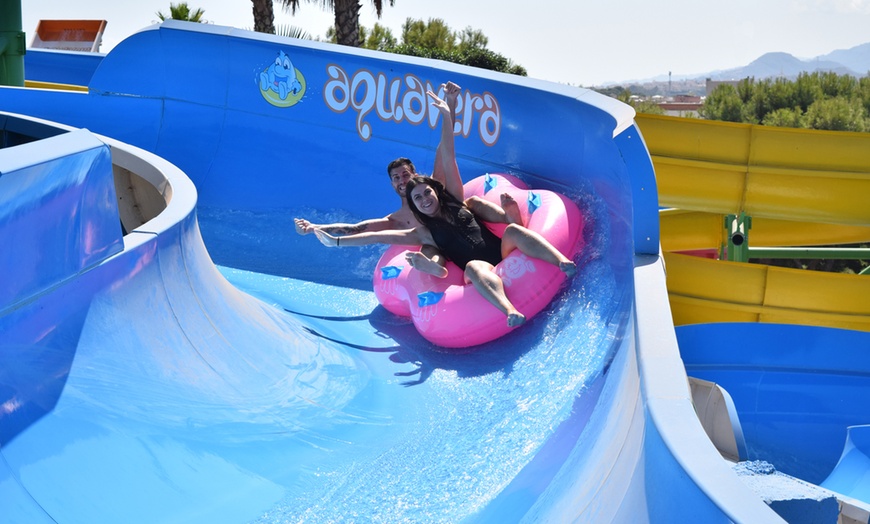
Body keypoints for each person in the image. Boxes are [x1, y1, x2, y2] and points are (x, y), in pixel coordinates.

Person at [313, 175, 577, 328]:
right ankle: (509, 310)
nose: (425, 199)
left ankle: (562, 261)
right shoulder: (424, 233)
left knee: (514, 233)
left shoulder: (469, 205)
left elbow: (510, 224)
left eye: (427, 192)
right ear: (415, 206)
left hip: (503, 252)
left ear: (436, 192)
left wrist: (510, 213)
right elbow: (377, 236)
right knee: (474, 266)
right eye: (418, 198)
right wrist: (336, 242)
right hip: (477, 269)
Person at [294, 81, 463, 238]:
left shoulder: (434, 187)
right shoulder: (396, 220)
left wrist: (451, 102)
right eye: (396, 178)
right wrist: (314, 227)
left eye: (405, 175)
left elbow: (445, 148)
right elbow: (357, 228)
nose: (402, 181)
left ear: (415, 174)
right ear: (392, 185)